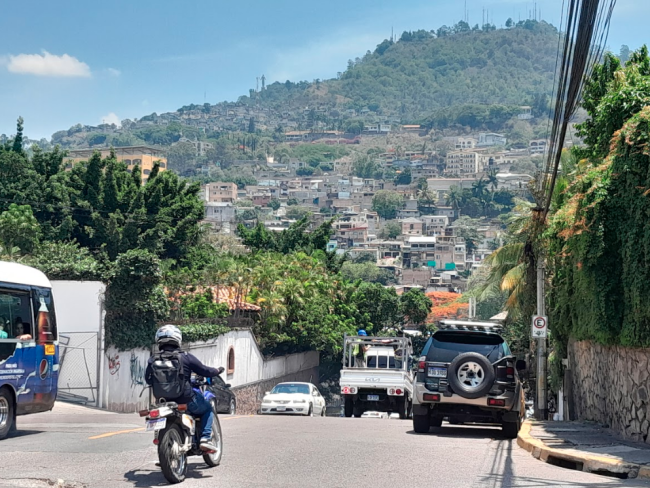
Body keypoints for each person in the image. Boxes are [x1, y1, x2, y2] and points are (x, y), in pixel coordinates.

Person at [145, 325, 223, 452]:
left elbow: (148, 379)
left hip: (162, 401)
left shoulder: (153, 359)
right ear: (177, 339)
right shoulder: (185, 357)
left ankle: (167, 447)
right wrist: (217, 370)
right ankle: (205, 438)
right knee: (207, 408)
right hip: (186, 399)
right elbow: (204, 370)